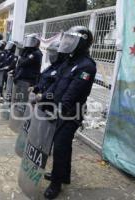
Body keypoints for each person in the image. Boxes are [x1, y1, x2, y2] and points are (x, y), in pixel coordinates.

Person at [42, 26, 96, 199]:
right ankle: (64, 175)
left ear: (82, 43)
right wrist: (44, 98)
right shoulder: (69, 62)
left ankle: (56, 184)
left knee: (60, 147)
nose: (68, 43)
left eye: (73, 40)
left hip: (71, 113)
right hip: (59, 110)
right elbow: (56, 85)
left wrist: (59, 110)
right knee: (64, 146)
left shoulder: (87, 67)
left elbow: (72, 94)